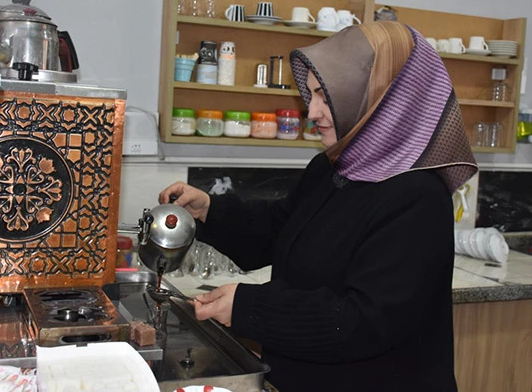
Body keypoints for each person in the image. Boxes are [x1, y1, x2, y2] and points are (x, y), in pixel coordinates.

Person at [159, 21, 477, 391]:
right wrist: (210, 210)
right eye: (311, 96)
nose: (312, 112)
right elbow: (280, 228)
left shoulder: (418, 198)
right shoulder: (333, 169)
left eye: (325, 97)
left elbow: (363, 323)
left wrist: (249, 307)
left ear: (380, 101)